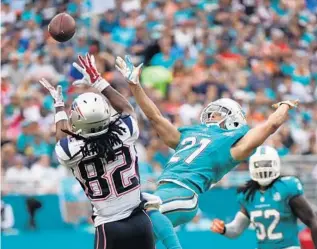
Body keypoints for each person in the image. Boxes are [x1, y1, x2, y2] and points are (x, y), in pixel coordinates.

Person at [115, 55, 299, 249]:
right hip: (164, 192)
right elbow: (155, 117)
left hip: (184, 194)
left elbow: (270, 125)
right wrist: (135, 85)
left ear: (233, 120)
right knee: (133, 238)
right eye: (211, 112)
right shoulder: (186, 136)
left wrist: (285, 105)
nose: (211, 116)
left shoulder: (235, 146)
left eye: (218, 113)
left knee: (141, 214)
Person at [39, 54, 154, 249]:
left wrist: (59, 107)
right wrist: (98, 81)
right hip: (140, 221)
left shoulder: (71, 149)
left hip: (109, 226)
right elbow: (126, 108)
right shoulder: (125, 131)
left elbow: (62, 140)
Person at [211, 145, 317, 249]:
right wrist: (223, 229)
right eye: (259, 165)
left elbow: (312, 220)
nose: (263, 168)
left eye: (266, 164)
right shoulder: (249, 194)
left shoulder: (286, 187)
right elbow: (236, 230)